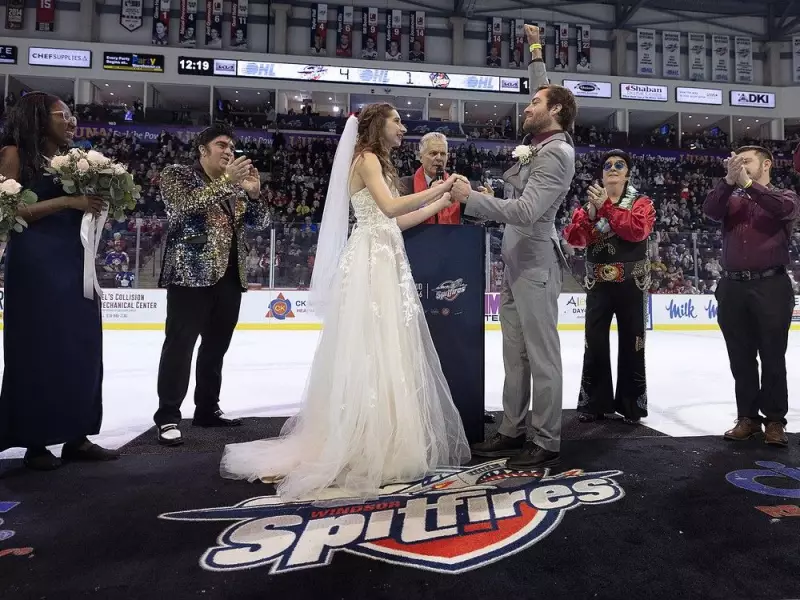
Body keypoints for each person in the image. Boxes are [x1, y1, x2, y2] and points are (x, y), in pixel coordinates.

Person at [219, 104, 471, 500]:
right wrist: (440, 188)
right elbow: (390, 208)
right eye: (397, 121)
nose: (403, 127)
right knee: (370, 346)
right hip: (372, 258)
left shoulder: (378, 163)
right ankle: (363, 441)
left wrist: (440, 204)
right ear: (377, 126)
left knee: (389, 347)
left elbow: (394, 221)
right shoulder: (367, 158)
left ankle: (384, 439)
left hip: (386, 253)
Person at [452, 24, 576, 469]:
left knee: (542, 355)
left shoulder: (556, 153)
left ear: (556, 110)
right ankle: (512, 429)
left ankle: (545, 438)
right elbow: (544, 87)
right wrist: (536, 48)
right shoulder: (538, 143)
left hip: (537, 265)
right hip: (516, 264)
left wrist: (472, 200)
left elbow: (525, 211)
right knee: (515, 353)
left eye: (534, 104)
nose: (527, 105)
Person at [0, 92, 117, 470]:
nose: (71, 122)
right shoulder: (15, 155)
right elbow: (8, 212)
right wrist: (69, 203)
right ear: (38, 117)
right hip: (35, 266)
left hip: (74, 263)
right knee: (37, 351)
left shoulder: (74, 161)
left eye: (72, 116)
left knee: (82, 346)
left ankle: (77, 436)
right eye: (62, 115)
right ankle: (35, 443)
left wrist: (98, 206)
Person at [154, 123, 271, 446]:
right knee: (180, 346)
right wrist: (227, 182)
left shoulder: (233, 185)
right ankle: (167, 416)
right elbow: (183, 206)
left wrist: (254, 195)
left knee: (215, 348)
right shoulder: (177, 174)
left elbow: (260, 223)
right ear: (202, 150)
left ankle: (207, 409)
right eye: (222, 145)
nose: (229, 151)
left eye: (232, 147)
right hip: (190, 275)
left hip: (231, 276)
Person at [703, 146, 798, 448]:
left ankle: (774, 421)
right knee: (740, 358)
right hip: (732, 287)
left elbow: (783, 211)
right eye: (736, 161)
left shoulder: (786, 196)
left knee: (772, 356)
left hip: (771, 285)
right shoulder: (730, 198)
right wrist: (727, 182)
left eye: (746, 161)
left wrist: (747, 184)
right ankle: (747, 418)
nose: (740, 165)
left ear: (766, 164)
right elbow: (709, 211)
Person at [562, 150, 655, 424]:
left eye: (619, 165)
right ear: (601, 174)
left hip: (632, 283)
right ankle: (594, 403)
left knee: (633, 344)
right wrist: (590, 216)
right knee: (595, 344)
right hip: (598, 285)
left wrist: (606, 208)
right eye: (608, 165)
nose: (613, 168)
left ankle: (631, 405)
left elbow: (636, 231)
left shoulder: (641, 202)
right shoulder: (588, 205)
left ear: (627, 173)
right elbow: (575, 239)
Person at [398, 132, 461, 224]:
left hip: (448, 237)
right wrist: (429, 199)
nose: (439, 158)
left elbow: (473, 216)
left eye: (443, 154)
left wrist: (481, 204)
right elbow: (397, 221)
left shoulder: (455, 186)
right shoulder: (404, 185)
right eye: (433, 153)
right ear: (421, 157)